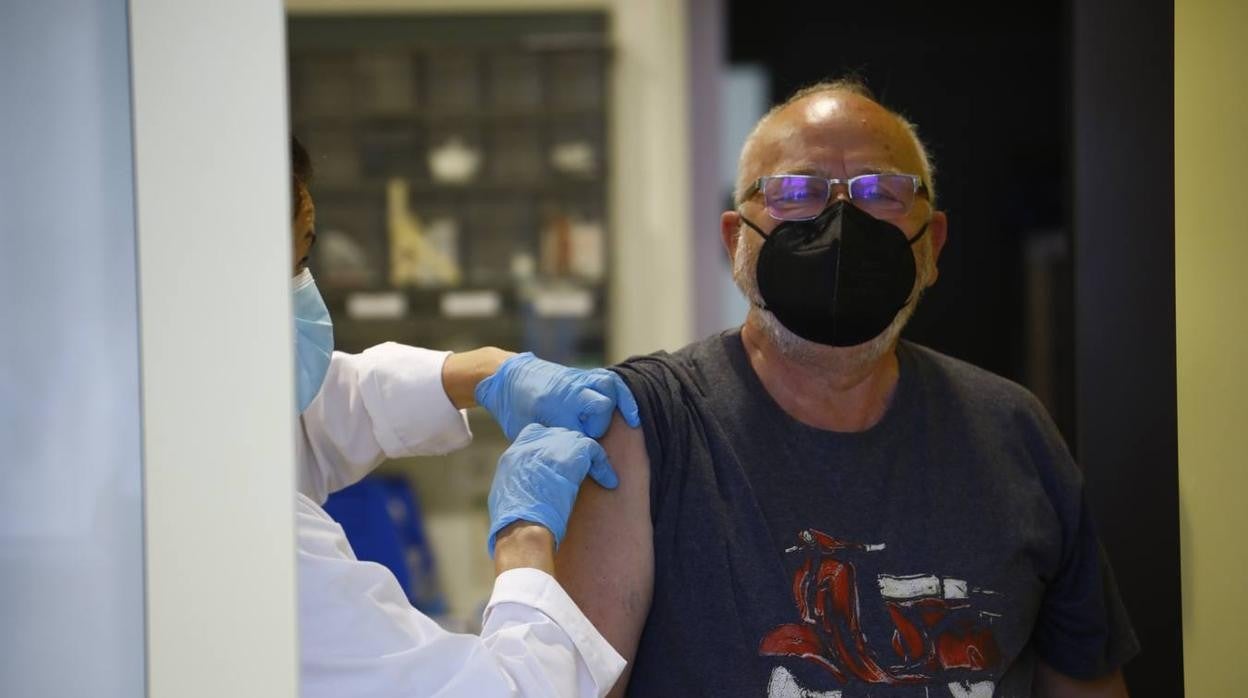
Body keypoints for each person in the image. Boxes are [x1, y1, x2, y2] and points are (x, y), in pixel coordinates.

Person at [555, 79, 1140, 697]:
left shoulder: (1016, 434)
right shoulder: (649, 428)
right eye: (795, 192)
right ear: (734, 240)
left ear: (933, 244)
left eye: (881, 192)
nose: (841, 221)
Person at [288, 136, 636, 697]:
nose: (305, 287)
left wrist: (482, 372)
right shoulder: (262, 546)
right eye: (298, 262)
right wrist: (524, 540)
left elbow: (309, 417)